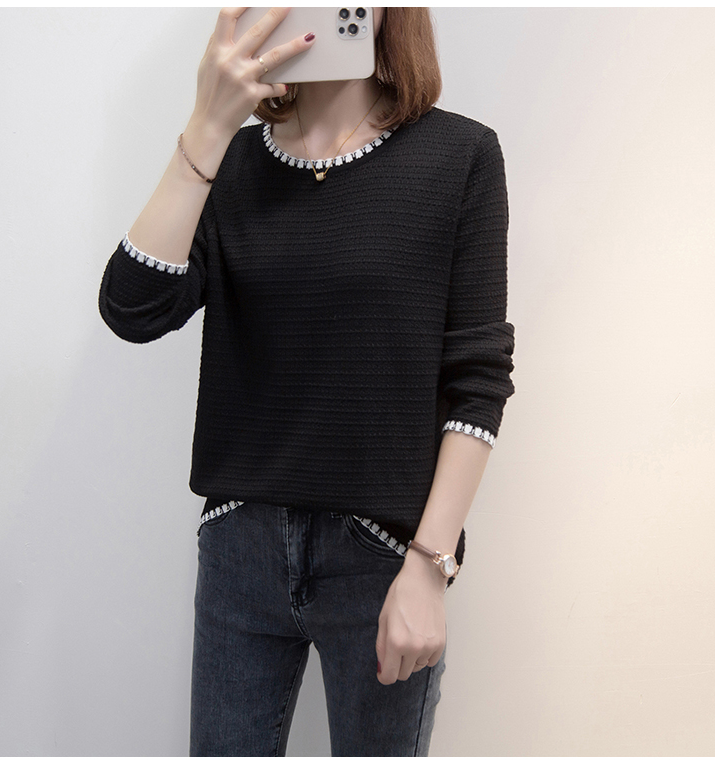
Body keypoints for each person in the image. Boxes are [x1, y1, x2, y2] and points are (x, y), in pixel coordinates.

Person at [98, 6, 515, 756]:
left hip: (384, 554)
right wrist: (206, 126)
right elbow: (134, 308)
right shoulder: (232, 162)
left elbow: (477, 381)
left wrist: (430, 566)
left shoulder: (460, 155)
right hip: (241, 543)